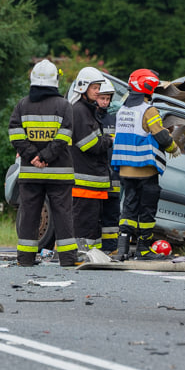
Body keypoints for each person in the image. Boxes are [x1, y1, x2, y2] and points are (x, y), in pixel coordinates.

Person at [9, 60, 78, 267]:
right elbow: (64, 136)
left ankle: (25, 258)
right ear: (55, 81)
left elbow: (15, 133)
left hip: (31, 172)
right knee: (63, 215)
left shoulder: (22, 105)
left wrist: (33, 157)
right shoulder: (64, 106)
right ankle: (67, 259)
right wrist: (46, 156)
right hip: (59, 172)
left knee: (30, 215)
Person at [111, 70, 180, 260]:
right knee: (147, 210)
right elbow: (161, 135)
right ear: (148, 88)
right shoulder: (148, 110)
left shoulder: (122, 110)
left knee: (128, 209)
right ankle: (143, 250)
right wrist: (173, 148)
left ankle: (122, 250)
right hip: (145, 169)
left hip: (125, 169)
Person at [68, 67, 113, 250]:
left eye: (98, 87)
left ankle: (91, 252)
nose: (98, 91)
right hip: (84, 179)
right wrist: (107, 141)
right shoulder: (79, 110)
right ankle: (80, 252)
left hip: (92, 179)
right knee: (83, 220)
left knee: (92, 221)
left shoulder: (87, 110)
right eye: (94, 87)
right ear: (83, 87)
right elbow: (88, 144)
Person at [96, 79, 120, 253]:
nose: (105, 102)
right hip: (96, 175)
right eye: (102, 98)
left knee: (112, 215)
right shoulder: (90, 117)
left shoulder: (114, 118)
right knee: (94, 214)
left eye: (107, 98)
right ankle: (96, 248)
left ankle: (110, 249)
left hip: (113, 176)